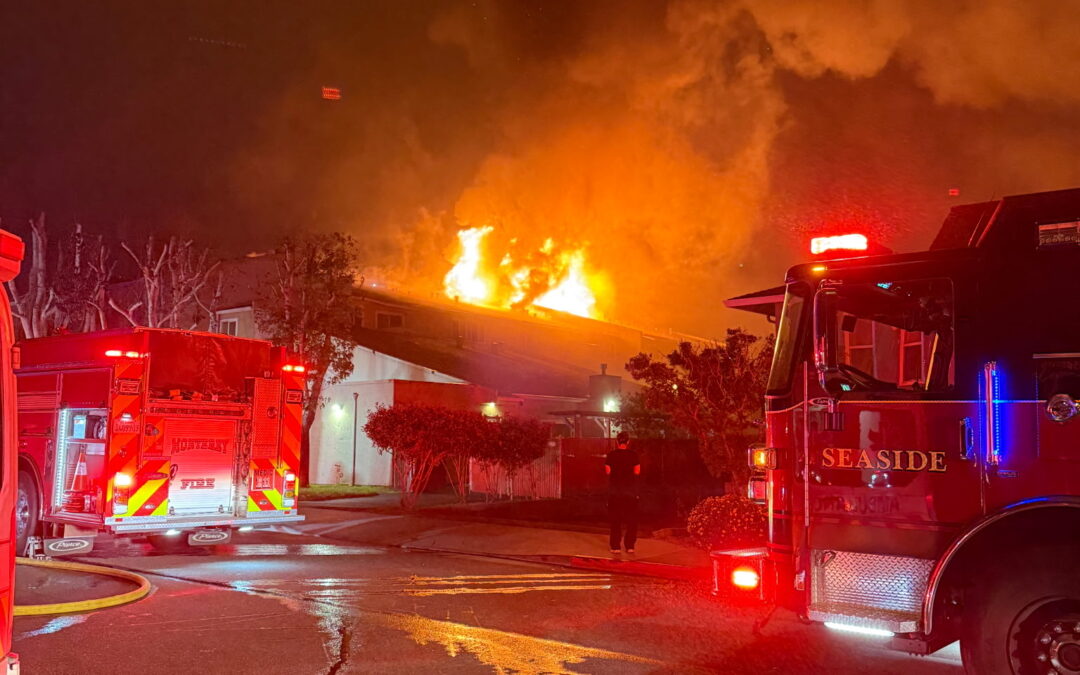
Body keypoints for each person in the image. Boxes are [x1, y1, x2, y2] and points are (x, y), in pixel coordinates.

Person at [605, 431, 640, 555]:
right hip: (630, 492)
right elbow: (637, 472)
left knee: (615, 520)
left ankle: (615, 546)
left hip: (615, 492)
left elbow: (608, 471)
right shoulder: (633, 455)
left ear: (617, 441)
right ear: (628, 442)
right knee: (631, 520)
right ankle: (630, 546)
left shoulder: (611, 455)